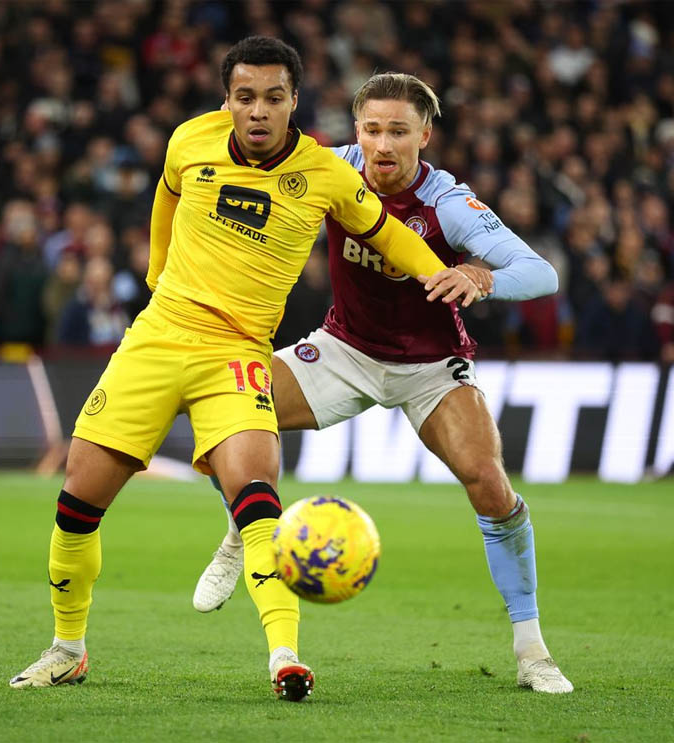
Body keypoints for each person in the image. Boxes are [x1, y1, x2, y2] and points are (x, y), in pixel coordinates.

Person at [9, 38, 478, 700]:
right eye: (245, 97)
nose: (258, 111)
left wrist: (441, 272)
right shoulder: (189, 141)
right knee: (77, 501)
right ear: (227, 99)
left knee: (257, 502)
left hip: (237, 354)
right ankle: (67, 647)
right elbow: (166, 199)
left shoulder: (325, 174)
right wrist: (154, 274)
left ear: (294, 102)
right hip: (157, 339)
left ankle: (284, 657)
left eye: (274, 98)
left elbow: (391, 234)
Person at [191, 73, 572, 693]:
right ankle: (242, 533)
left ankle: (532, 651)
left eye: (398, 131)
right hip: (344, 348)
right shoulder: (333, 167)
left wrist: (481, 278)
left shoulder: (447, 203)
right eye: (372, 130)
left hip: (430, 365)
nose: (383, 145)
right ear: (357, 131)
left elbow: (541, 274)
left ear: (425, 133)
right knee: (233, 403)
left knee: (488, 483)